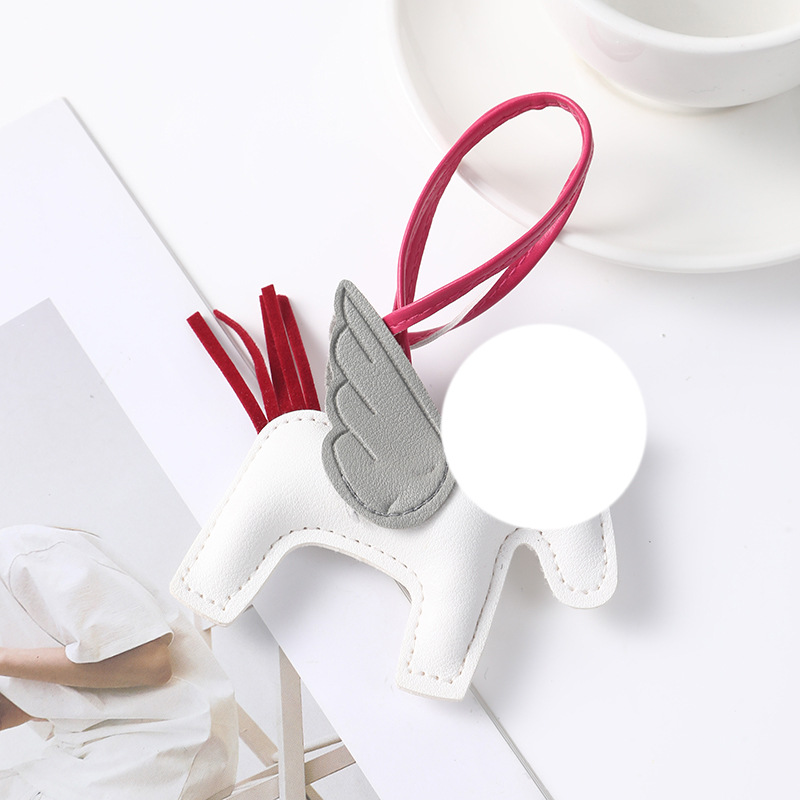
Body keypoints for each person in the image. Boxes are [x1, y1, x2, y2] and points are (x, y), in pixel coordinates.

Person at [0, 524, 239, 800]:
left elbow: (151, 663)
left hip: (164, 739)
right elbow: (41, 701)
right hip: (83, 752)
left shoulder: (26, 553)